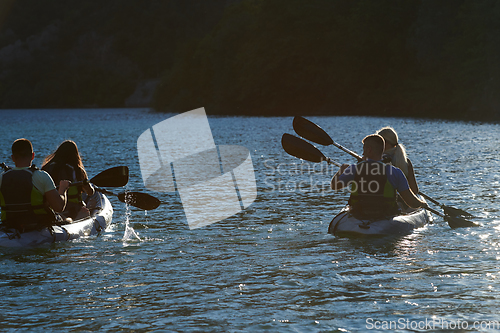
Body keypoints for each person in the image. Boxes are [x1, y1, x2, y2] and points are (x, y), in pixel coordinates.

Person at [330, 134, 426, 218]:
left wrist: (341, 170)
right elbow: (411, 202)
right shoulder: (395, 172)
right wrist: (423, 204)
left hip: (359, 214)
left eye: (364, 149)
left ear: (369, 150)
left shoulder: (354, 169)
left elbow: (334, 186)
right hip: (385, 215)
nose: (362, 153)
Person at [0, 138, 70, 231]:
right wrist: (62, 189)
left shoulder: (2, 178)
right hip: (37, 225)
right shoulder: (41, 176)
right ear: (33, 156)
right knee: (68, 220)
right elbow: (59, 207)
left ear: (13, 158)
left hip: (9, 224)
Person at [42, 140, 94, 221]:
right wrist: (87, 185)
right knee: (86, 210)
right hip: (73, 209)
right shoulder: (78, 170)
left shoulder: (46, 168)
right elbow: (90, 193)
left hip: (51, 208)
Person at [376, 126, 419, 195]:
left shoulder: (376, 161)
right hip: (402, 200)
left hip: (384, 200)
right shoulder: (406, 162)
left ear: (384, 143)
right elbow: (415, 190)